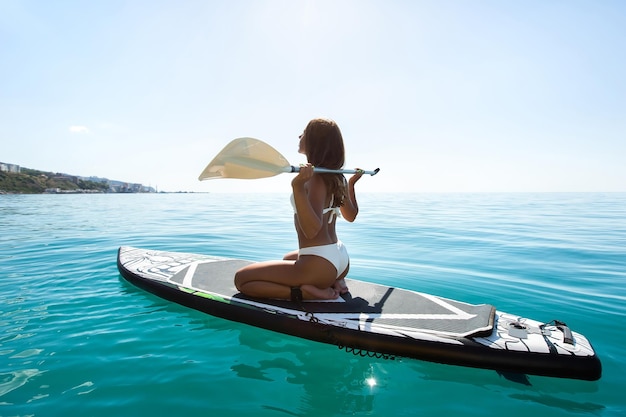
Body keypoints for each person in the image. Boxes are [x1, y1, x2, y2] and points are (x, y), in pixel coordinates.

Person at [234, 118, 364, 301]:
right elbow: (351, 216)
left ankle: (306, 292)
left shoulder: (315, 179)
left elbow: (311, 231)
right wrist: (351, 185)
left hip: (321, 263)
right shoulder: (337, 177)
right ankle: (335, 280)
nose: (299, 136)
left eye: (303, 133)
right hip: (340, 258)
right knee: (288, 257)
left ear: (314, 141)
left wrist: (297, 187)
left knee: (242, 279)